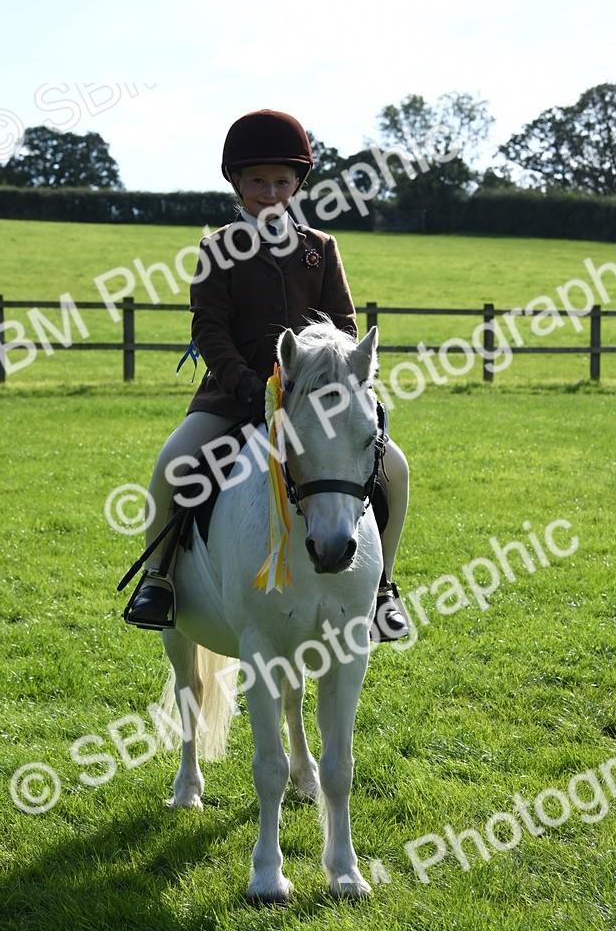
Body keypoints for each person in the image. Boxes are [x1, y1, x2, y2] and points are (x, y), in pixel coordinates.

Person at [125, 109, 410, 639]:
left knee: (395, 468)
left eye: (282, 181)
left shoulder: (320, 250)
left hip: (317, 405)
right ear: (236, 182)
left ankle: (384, 588)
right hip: (234, 400)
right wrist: (252, 389)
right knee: (173, 464)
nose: (270, 191)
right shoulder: (216, 250)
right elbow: (210, 330)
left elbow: (344, 326)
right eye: (258, 180)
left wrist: (329, 381)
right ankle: (158, 578)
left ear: (298, 184)